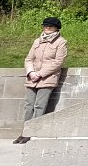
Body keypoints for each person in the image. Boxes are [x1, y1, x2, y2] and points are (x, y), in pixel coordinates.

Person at [14, 16, 68, 144]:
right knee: (28, 106)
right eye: (45, 25)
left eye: (50, 26)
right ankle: (24, 132)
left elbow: (58, 62)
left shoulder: (61, 42)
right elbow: (29, 59)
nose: (47, 27)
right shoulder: (37, 41)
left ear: (56, 27)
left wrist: (40, 74)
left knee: (39, 106)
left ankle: (33, 132)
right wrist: (31, 72)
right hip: (32, 78)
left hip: (47, 78)